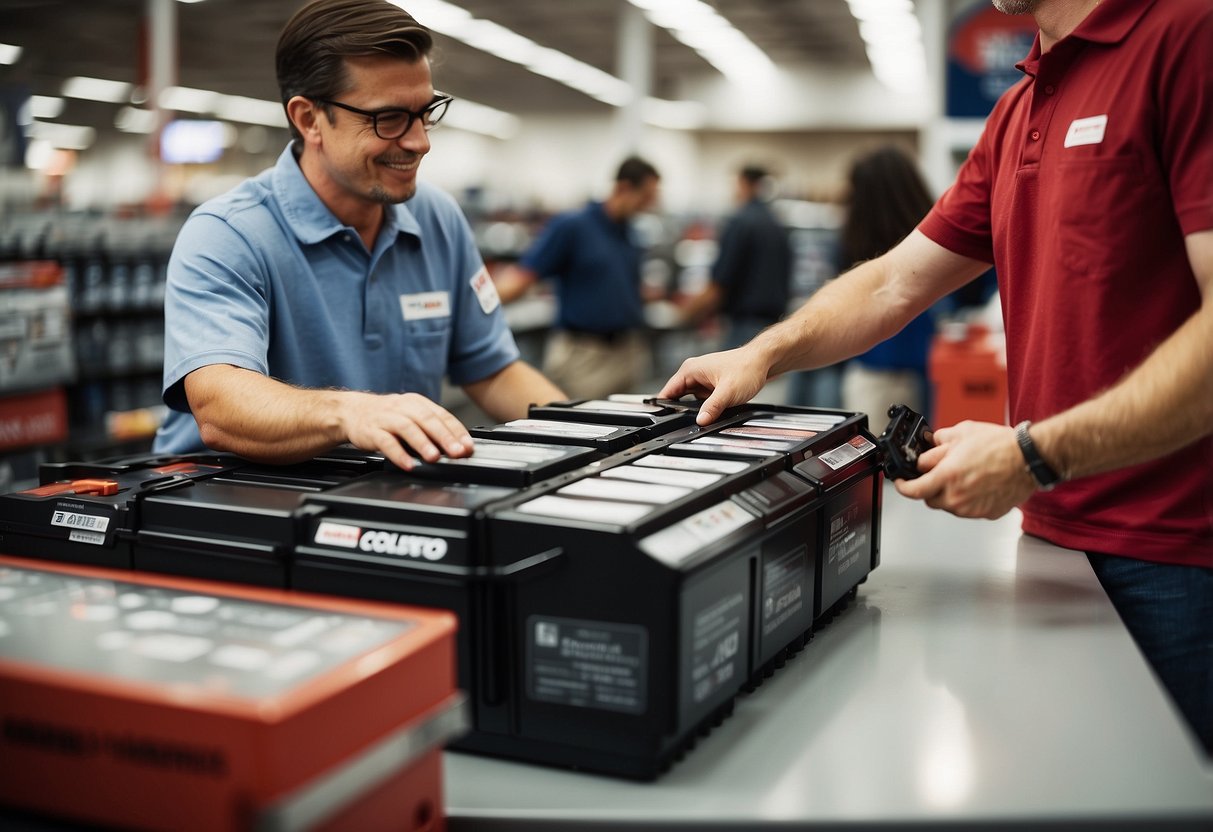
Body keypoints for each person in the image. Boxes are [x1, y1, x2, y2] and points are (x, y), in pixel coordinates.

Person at [661, 0, 1213, 753]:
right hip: (1054, 535)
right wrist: (763, 352)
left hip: (1180, 559)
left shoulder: (1188, 36)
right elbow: (894, 282)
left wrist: (1032, 454)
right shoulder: (1020, 103)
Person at [153, 0, 564, 471]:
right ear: (309, 120)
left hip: (381, 497)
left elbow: (493, 373)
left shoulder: (437, 219)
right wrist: (351, 412)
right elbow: (220, 407)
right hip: (224, 506)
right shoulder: (229, 234)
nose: (419, 142)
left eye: (425, 112)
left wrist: (600, 439)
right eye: (388, 118)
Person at [494, 157, 661, 400]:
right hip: (585, 357)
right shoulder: (573, 226)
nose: (648, 206)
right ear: (624, 188)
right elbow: (523, 276)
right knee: (584, 430)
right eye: (645, 197)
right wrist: (476, 308)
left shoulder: (629, 232)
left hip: (628, 351)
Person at [836, 146, 948, 432]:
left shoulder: (857, 245)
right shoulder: (930, 239)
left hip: (875, 371)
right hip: (924, 368)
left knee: (873, 462)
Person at [679, 164, 792, 351]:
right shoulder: (777, 224)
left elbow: (721, 280)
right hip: (773, 325)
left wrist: (688, 314)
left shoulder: (741, 222)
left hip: (744, 326)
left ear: (745, 184)